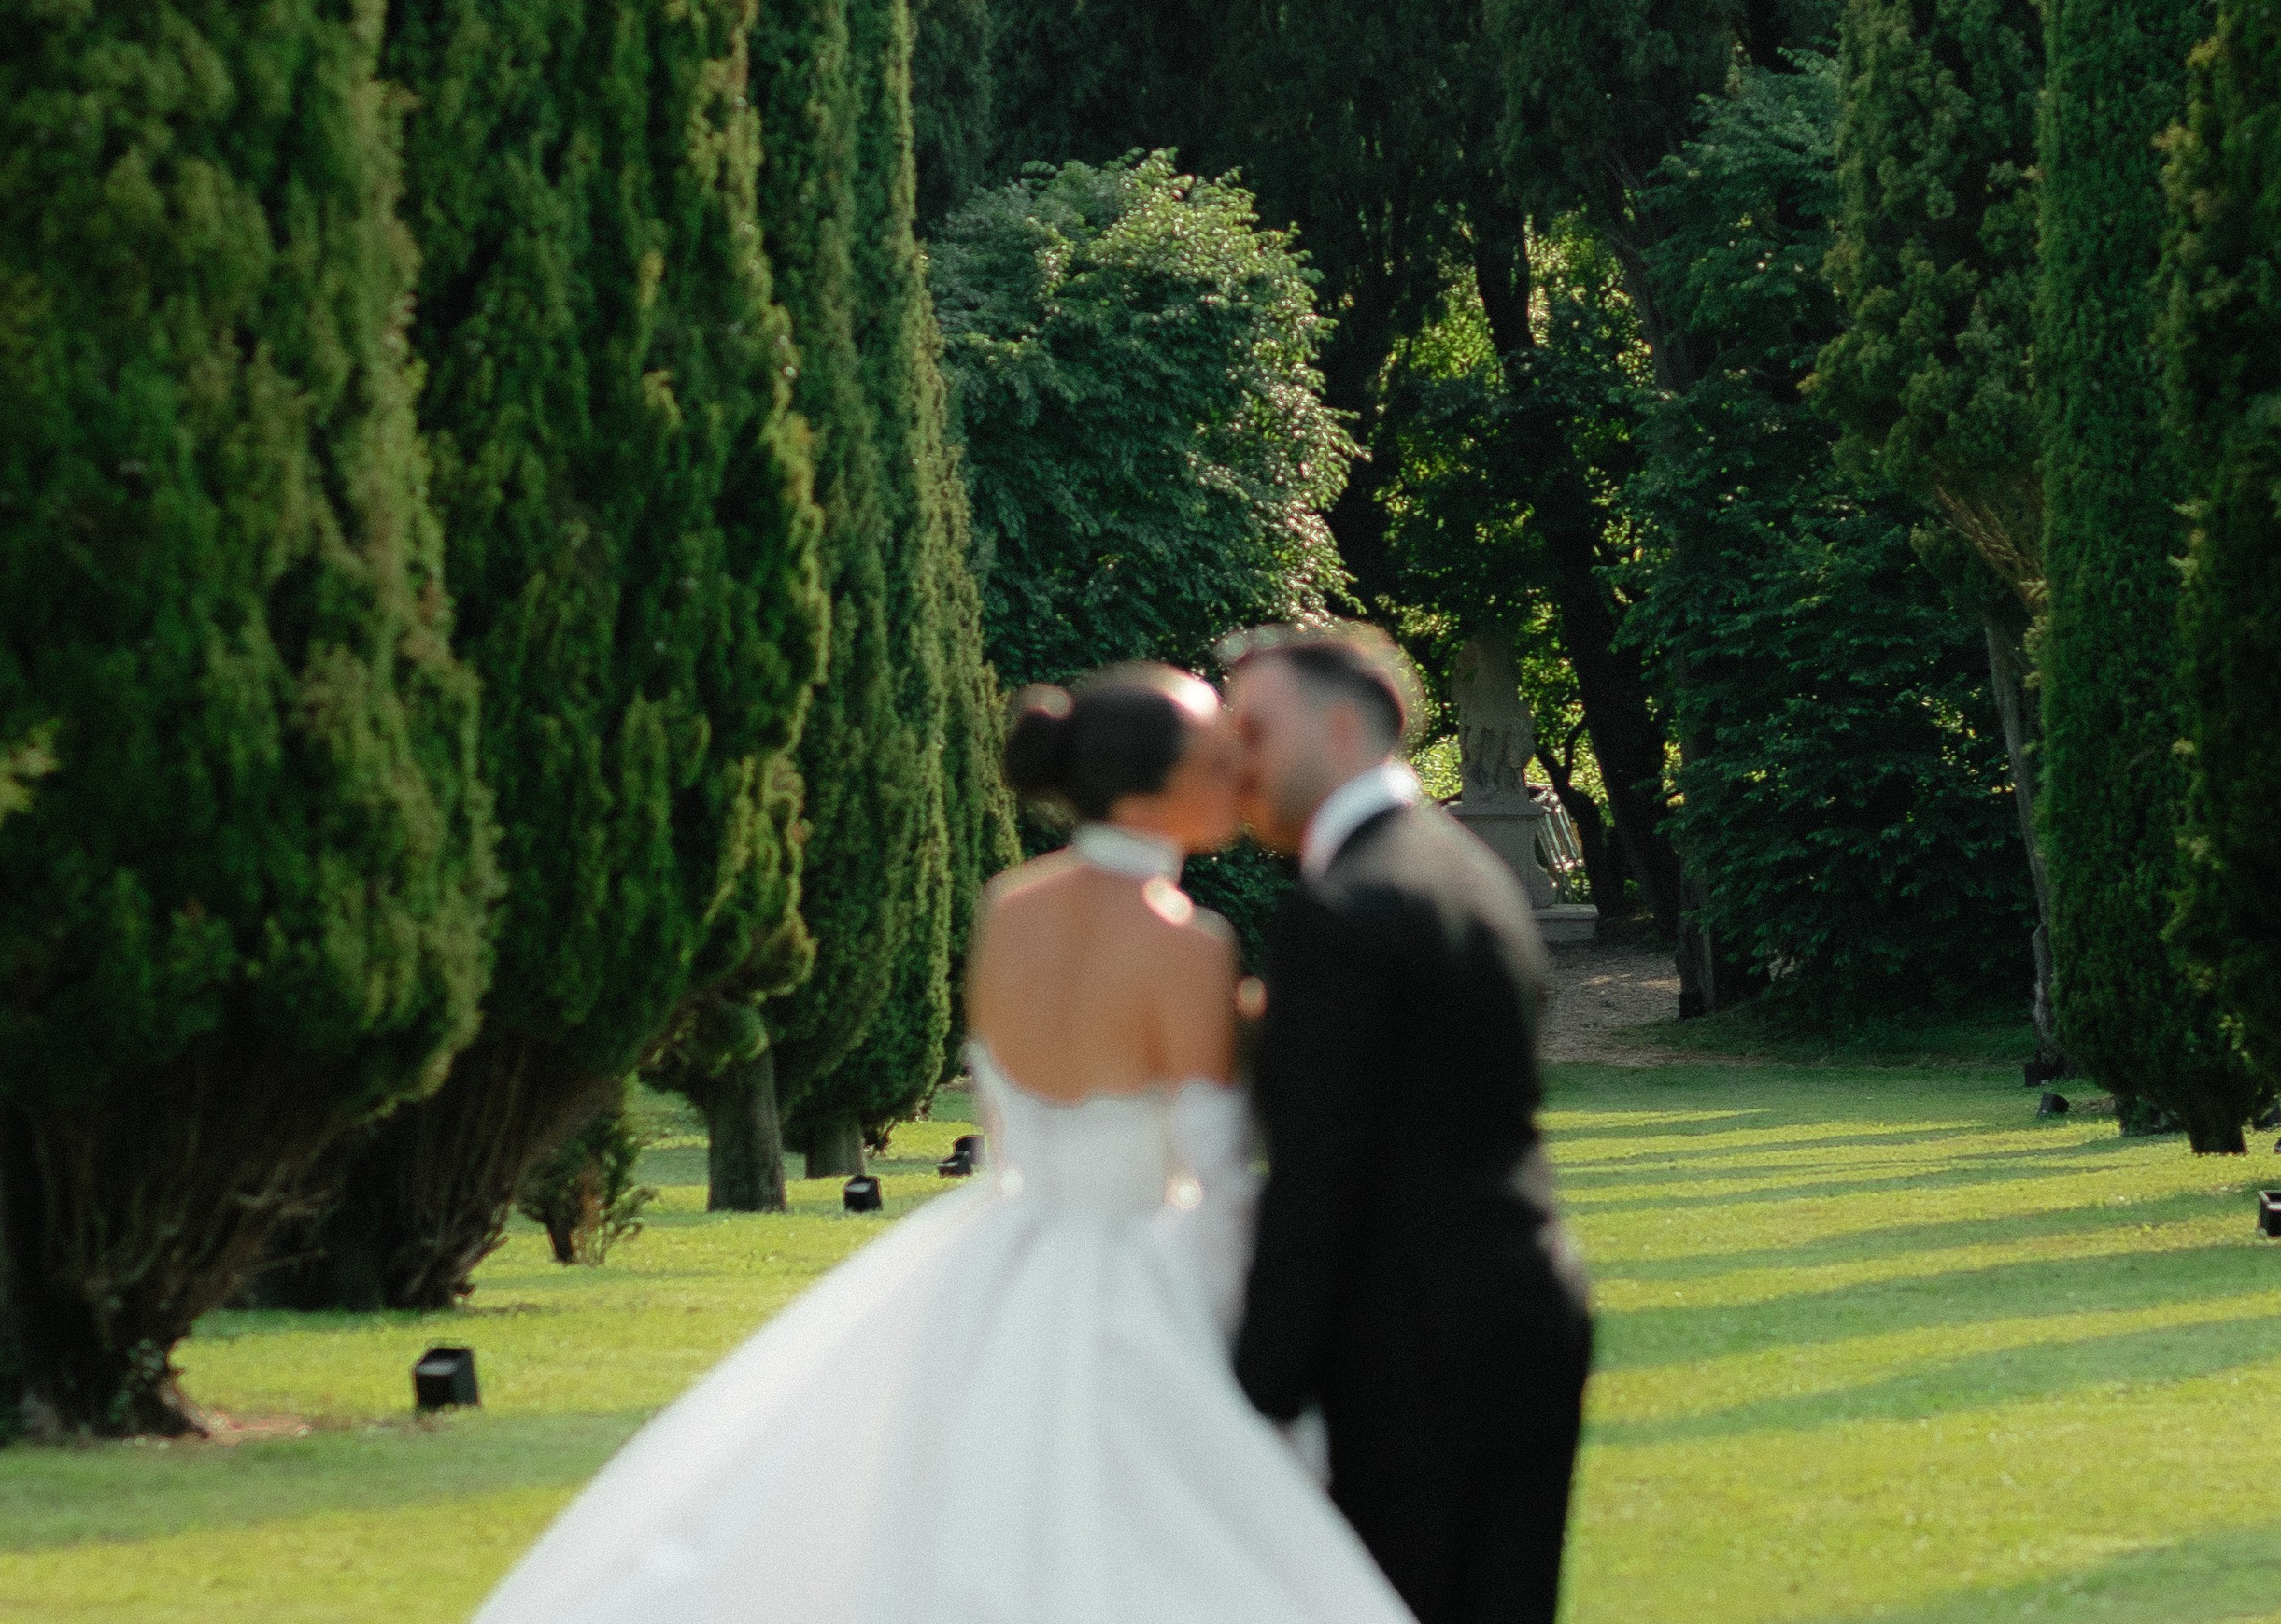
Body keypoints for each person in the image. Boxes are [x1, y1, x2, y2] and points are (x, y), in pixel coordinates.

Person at [471, 661, 1415, 1624]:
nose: (1242, 779)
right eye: (1221, 760)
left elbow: (1009, 1109)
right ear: (1160, 786)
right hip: (1144, 1270)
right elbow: (1211, 1167)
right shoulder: (1185, 943)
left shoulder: (1009, 910)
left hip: (999, 1254)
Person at [1228, 628, 1592, 1624]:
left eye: (1254, 729)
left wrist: (1253, 1390)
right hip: (1517, 1306)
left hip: (1411, 1349)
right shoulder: (1461, 867)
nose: (1234, 759)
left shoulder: (1343, 907)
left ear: (1342, 727)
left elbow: (1319, 1175)